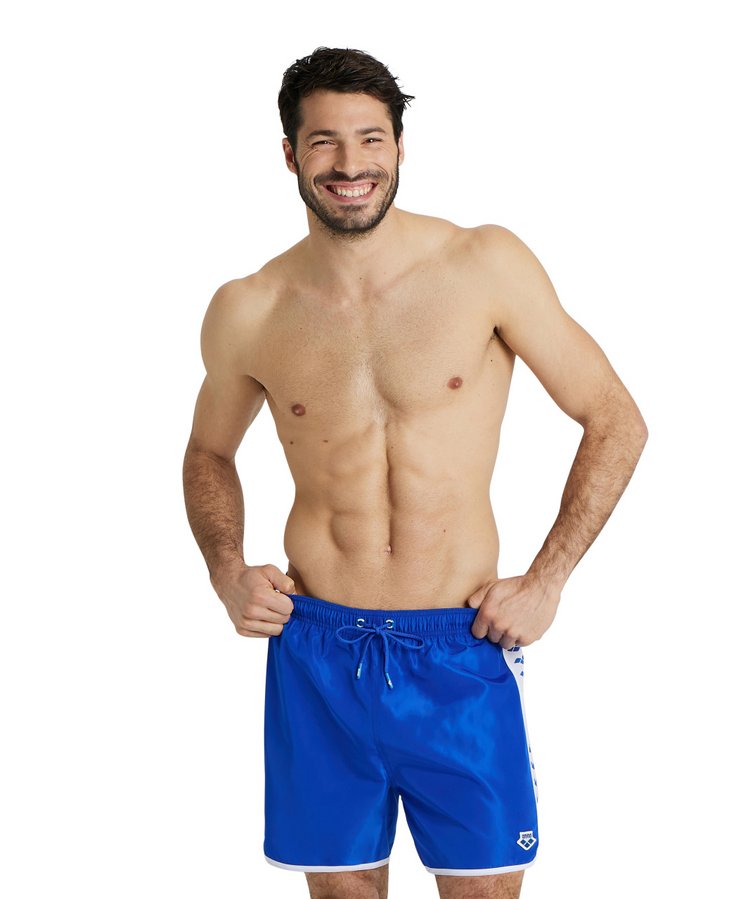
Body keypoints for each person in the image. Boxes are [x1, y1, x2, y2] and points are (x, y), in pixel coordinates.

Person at [182, 46, 647, 899]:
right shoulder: (249, 308)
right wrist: (225, 568)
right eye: (324, 142)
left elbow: (614, 417)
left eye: (370, 138)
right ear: (289, 154)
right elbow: (209, 452)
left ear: (400, 146)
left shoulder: (484, 266)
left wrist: (548, 580)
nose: (350, 164)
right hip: (316, 650)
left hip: (460, 647)